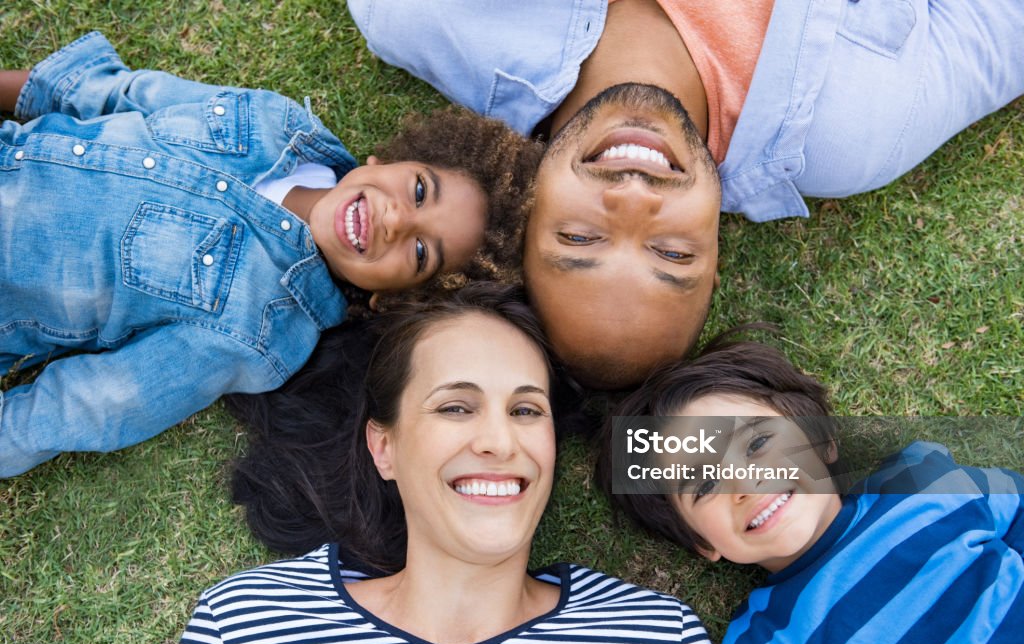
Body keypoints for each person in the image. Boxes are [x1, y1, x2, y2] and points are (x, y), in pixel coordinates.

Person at [346, 0, 1024, 388]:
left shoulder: (426, 15)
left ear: (524, 214)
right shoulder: (853, 127)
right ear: (715, 245)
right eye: (671, 251)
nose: (634, 200)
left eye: (580, 238)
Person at [0, 32, 543, 477]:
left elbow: (102, 400)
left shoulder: (259, 329)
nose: (397, 218)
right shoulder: (273, 122)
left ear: (388, 299)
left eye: (422, 252)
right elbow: (125, 95)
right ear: (385, 161)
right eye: (420, 190)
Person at [163, 284, 725, 644]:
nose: (500, 443)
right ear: (384, 447)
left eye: (527, 411)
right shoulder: (248, 626)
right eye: (456, 407)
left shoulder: (654, 643)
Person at [596, 338, 1024, 644]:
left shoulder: (919, 482)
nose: (744, 483)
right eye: (705, 484)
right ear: (701, 542)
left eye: (758, 443)